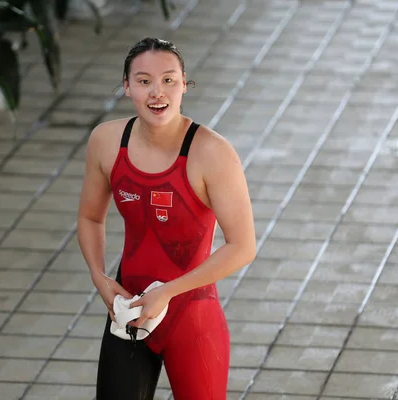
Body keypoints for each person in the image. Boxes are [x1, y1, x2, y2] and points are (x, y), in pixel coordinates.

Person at [77, 37, 257, 400]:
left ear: (185, 84)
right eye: (144, 81)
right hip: (128, 311)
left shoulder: (212, 153)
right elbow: (90, 217)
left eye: (169, 80)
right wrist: (99, 277)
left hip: (192, 318)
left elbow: (243, 246)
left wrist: (167, 292)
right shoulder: (107, 141)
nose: (157, 92)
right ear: (127, 87)